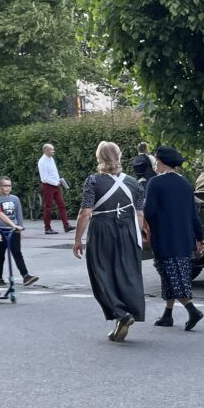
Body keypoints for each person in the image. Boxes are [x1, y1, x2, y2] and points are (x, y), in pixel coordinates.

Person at [73, 142, 146, 342]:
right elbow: (139, 214)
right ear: (119, 156)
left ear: (99, 158)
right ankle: (123, 317)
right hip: (128, 230)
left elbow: (85, 212)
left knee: (101, 273)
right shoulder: (135, 184)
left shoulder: (94, 181)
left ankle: (121, 314)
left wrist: (78, 238)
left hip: (102, 229)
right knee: (124, 273)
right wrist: (135, 237)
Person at [145, 146, 204, 331]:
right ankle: (168, 314)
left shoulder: (155, 183)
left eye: (156, 161)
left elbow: (149, 212)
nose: (155, 164)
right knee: (171, 276)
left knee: (171, 276)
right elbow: (193, 215)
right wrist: (200, 237)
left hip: (164, 238)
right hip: (184, 239)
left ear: (162, 162)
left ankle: (192, 310)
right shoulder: (186, 184)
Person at [0, 176, 39, 286]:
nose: (7, 188)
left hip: (13, 230)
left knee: (17, 253)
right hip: (1, 231)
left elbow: (19, 214)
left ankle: (25, 276)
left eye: (9, 185)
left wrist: (20, 227)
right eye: (5, 186)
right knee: (0, 256)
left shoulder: (15, 199)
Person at [38, 143, 73, 233]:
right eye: (51, 150)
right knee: (48, 207)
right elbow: (44, 178)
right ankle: (47, 228)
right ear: (46, 150)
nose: (53, 151)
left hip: (56, 185)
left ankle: (66, 225)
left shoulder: (51, 159)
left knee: (62, 205)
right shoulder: (42, 162)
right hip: (48, 186)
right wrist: (56, 182)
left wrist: (59, 180)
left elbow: (54, 172)